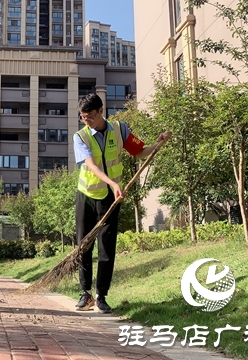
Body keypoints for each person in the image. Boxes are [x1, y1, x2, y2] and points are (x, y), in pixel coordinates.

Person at [73, 93, 170, 313]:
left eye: (89, 116)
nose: (85, 121)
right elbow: (91, 165)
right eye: (82, 117)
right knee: (84, 245)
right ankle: (85, 294)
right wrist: (112, 183)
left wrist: (158, 143)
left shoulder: (119, 129)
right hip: (87, 196)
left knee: (107, 247)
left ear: (101, 111)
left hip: (111, 197)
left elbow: (140, 152)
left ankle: (101, 296)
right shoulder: (80, 137)